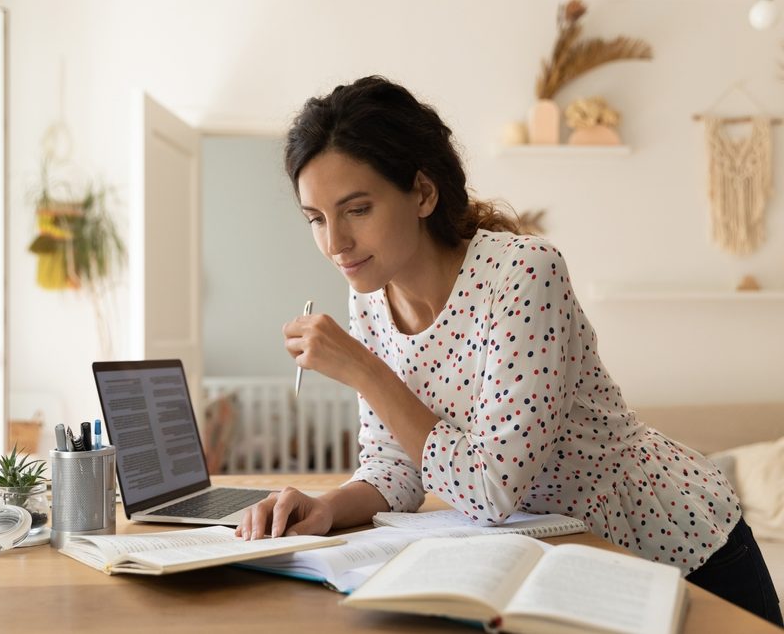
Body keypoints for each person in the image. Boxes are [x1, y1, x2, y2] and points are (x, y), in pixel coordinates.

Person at [235, 75, 782, 625]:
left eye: (357, 210)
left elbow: (489, 488)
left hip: (675, 544)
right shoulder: (371, 298)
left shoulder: (523, 273)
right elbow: (395, 468)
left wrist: (362, 369)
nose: (334, 244)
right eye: (316, 219)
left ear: (423, 192)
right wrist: (325, 508)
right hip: (559, 559)